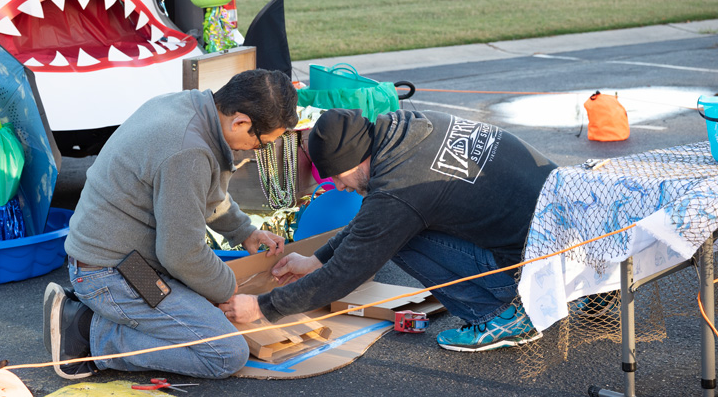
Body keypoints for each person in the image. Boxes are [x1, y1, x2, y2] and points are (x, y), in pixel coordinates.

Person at [219, 108, 557, 352]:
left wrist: (264, 307)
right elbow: (372, 222)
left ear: (354, 159)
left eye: (337, 177)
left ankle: (500, 316)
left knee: (399, 236)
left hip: (535, 266)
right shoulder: (404, 131)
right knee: (397, 226)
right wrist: (316, 259)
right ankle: (530, 299)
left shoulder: (399, 188)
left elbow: (346, 273)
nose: (340, 186)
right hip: (562, 241)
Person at [43, 69, 298, 379]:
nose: (255, 150)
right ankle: (90, 336)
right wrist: (230, 291)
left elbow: (202, 195)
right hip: (111, 274)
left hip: (119, 261)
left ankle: (93, 315)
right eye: (260, 144)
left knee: (205, 296)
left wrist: (244, 231)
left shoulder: (191, 107)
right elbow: (181, 254)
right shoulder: (188, 151)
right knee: (226, 352)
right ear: (241, 121)